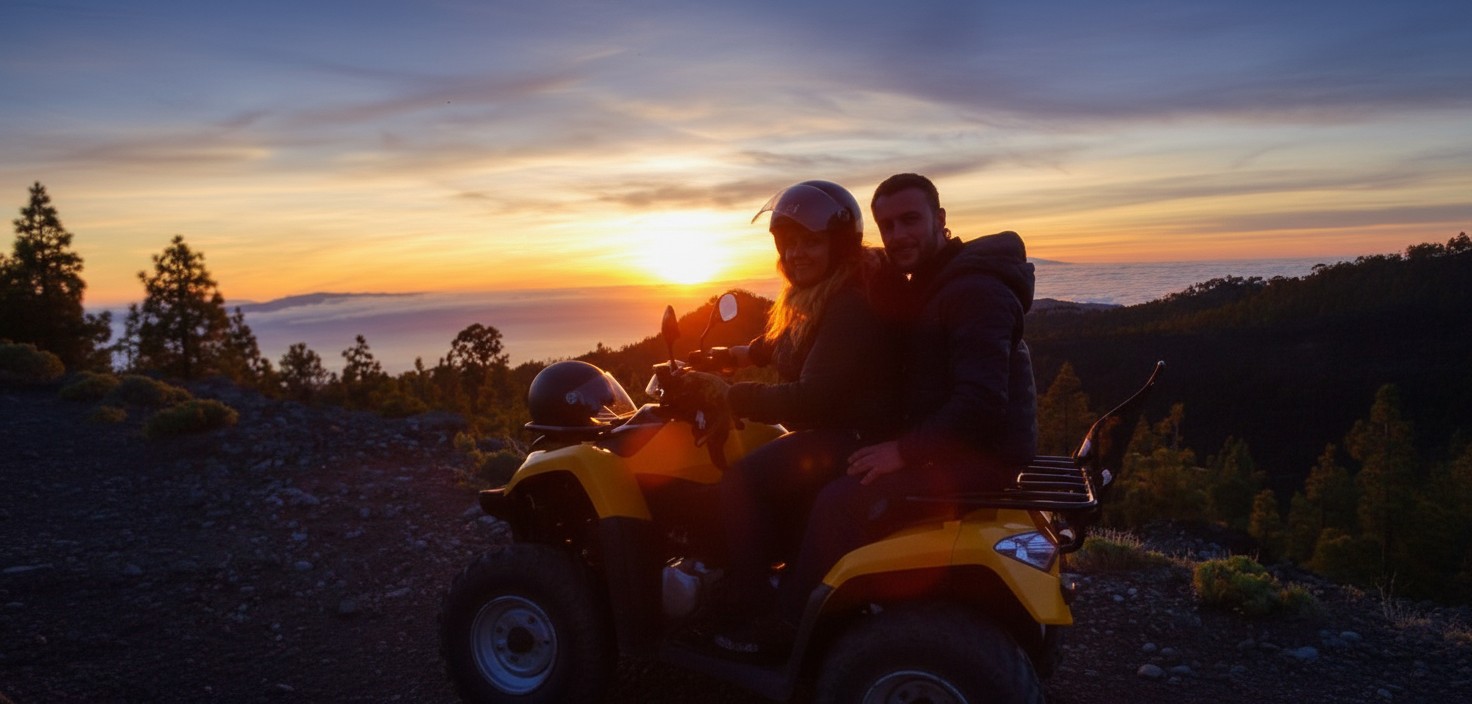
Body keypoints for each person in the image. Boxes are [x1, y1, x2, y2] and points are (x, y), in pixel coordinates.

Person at [774, 172, 1039, 636]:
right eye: (888, 226)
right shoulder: (934, 281)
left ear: (940, 219)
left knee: (840, 501)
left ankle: (791, 627)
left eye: (910, 220)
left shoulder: (974, 290)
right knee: (827, 471)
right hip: (959, 446)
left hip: (984, 458)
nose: (898, 236)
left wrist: (903, 451)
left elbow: (980, 404)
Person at [676, 180, 900, 656]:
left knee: (740, 481)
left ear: (838, 245)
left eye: (810, 242)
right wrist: (729, 356)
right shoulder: (829, 291)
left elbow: (808, 399)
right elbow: (787, 343)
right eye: (789, 243)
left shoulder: (850, 305)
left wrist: (731, 395)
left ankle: (761, 611)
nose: (796, 254)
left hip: (852, 437)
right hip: (844, 430)